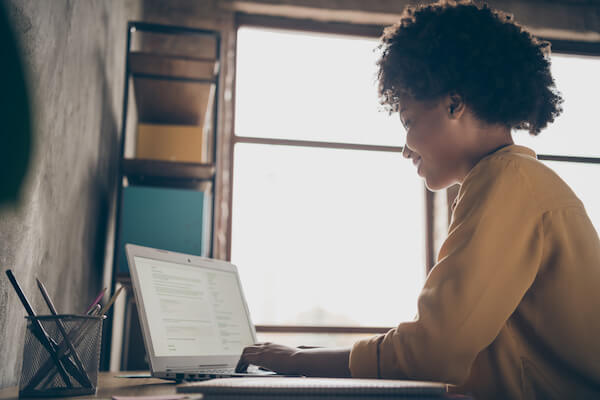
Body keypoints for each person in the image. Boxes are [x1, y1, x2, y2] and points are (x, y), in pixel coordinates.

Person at [235, 0, 600, 398]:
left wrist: (298, 360)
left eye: (408, 121)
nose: (405, 148)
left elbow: (432, 353)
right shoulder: (517, 180)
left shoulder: (507, 181)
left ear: (454, 104)